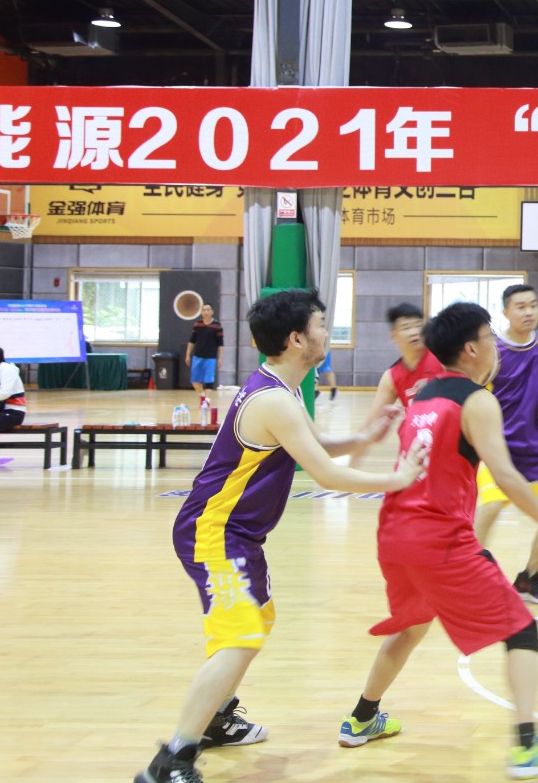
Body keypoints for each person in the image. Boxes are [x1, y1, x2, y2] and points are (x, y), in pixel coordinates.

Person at [134, 289, 427, 783]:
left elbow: (314, 443)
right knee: (242, 633)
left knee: (258, 619)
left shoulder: (283, 387)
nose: (325, 333)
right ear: (296, 339)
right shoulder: (273, 399)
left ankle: (217, 717)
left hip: (238, 533)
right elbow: (326, 474)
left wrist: (363, 437)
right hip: (214, 531)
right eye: (320, 325)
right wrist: (398, 480)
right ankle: (172, 761)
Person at [339, 301, 538, 779]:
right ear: (471, 349)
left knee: (412, 626)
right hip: (439, 539)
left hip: (394, 534)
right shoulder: (476, 401)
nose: (496, 346)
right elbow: (506, 475)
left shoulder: (423, 396)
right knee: (522, 628)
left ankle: (362, 719)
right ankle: (528, 749)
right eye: (490, 338)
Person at [473, 284, 538, 606]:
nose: (529, 311)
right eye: (520, 306)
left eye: (533, 305)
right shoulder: (492, 349)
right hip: (495, 447)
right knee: (489, 508)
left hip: (533, 446)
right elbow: (470, 386)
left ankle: (529, 579)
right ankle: (465, 576)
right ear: (506, 312)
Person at [361, 303, 445, 427]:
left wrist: (435, 385)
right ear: (393, 336)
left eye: (418, 326)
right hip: (420, 437)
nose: (414, 332)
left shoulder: (443, 358)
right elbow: (372, 421)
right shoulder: (391, 377)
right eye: (406, 328)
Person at [185, 303, 225, 399]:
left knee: (208, 380)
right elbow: (192, 341)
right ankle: (202, 396)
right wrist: (187, 355)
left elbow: (220, 343)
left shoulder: (217, 325)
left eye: (208, 310)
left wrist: (220, 358)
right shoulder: (197, 325)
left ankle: (207, 400)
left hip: (211, 357)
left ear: (212, 312)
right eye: (204, 310)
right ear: (201, 312)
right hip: (197, 356)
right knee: (194, 381)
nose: (206, 312)